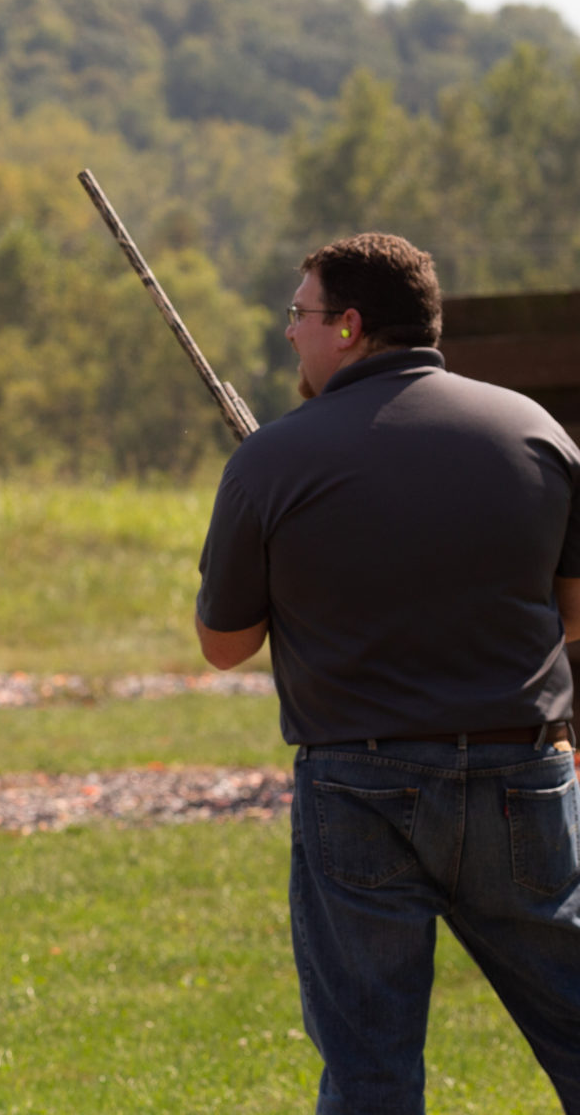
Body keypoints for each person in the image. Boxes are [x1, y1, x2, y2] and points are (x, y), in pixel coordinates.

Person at [194, 232, 580, 1112]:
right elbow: (573, 614)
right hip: (525, 775)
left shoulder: (271, 461)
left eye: (301, 313)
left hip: (358, 787)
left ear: (351, 326)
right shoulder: (535, 431)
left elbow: (224, 644)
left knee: (370, 1071)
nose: (291, 332)